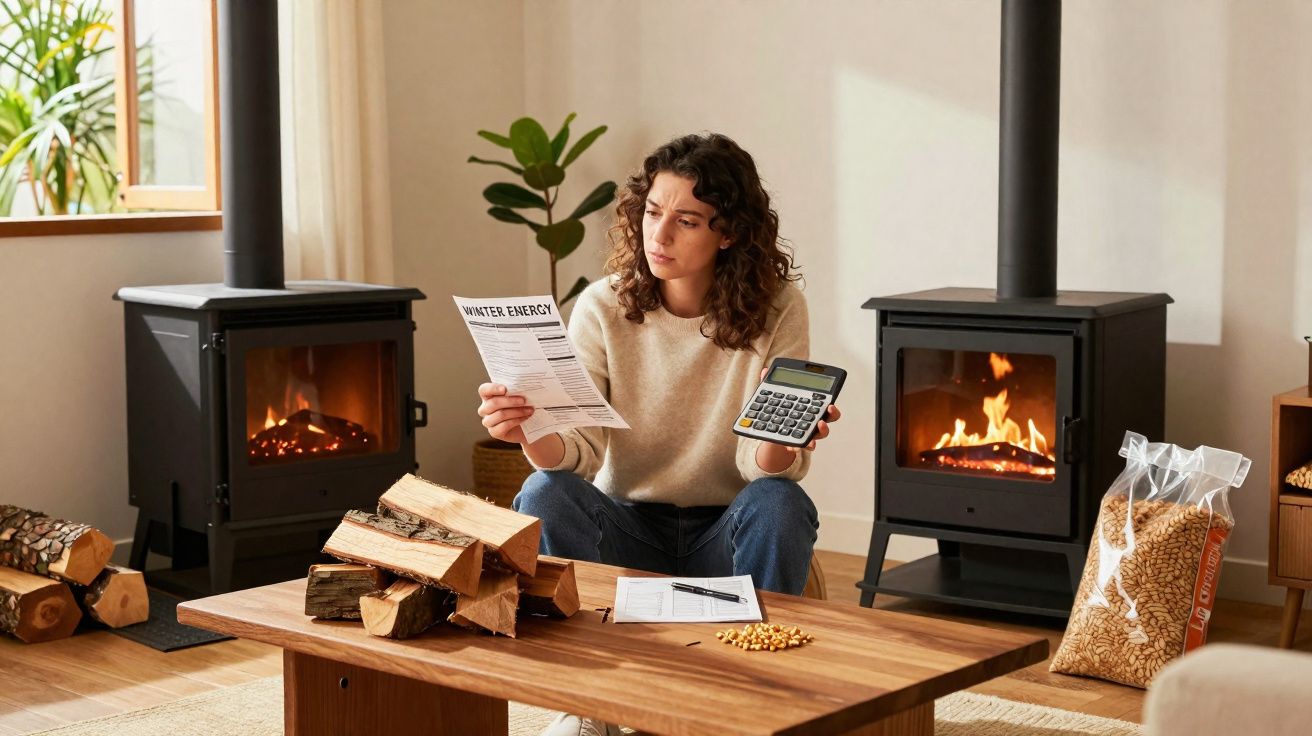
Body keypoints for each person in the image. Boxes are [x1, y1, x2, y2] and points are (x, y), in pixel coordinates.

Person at [478, 132, 839, 736]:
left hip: (726, 533)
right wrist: (526, 430)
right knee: (543, 490)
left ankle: (750, 699)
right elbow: (576, 456)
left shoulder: (778, 307)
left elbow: (764, 468)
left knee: (781, 502)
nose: (660, 235)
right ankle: (588, 705)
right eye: (651, 212)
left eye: (687, 220)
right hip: (626, 530)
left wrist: (788, 436)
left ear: (728, 233)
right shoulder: (602, 306)